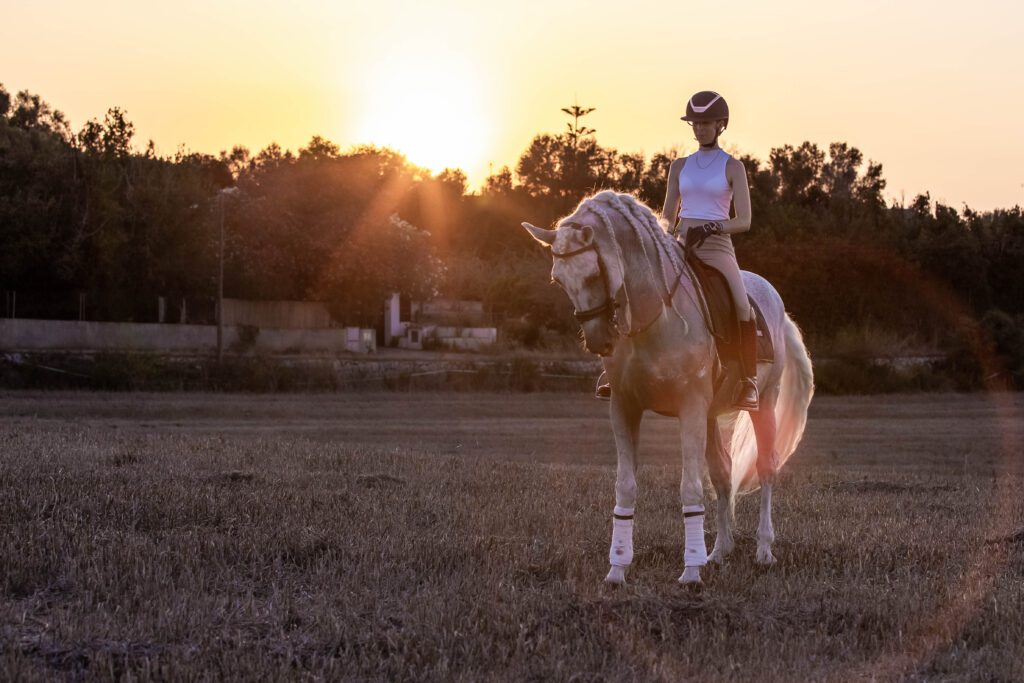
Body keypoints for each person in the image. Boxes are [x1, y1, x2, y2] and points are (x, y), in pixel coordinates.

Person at [596, 90, 758, 410]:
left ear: (720, 125)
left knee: (742, 306)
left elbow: (745, 220)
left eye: (706, 123)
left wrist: (712, 227)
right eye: (695, 123)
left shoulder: (733, 167)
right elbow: (668, 215)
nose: (699, 129)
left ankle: (747, 380)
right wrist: (660, 238)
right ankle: (616, 371)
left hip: (716, 246)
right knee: (634, 290)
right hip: (680, 243)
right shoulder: (680, 166)